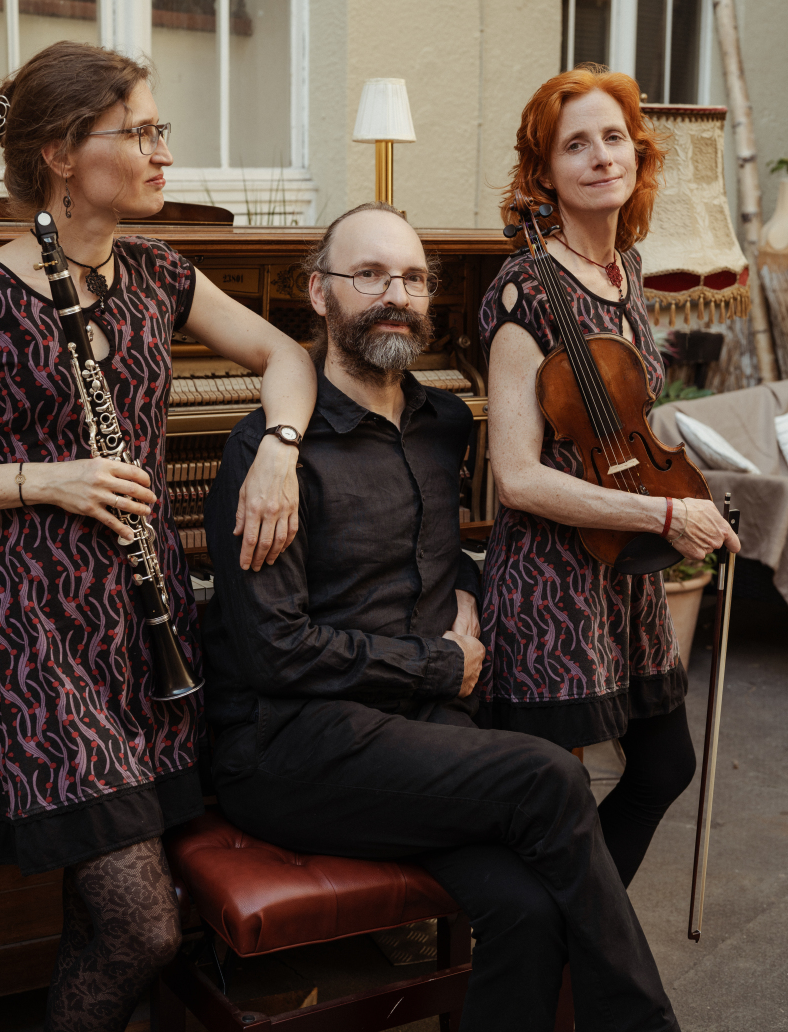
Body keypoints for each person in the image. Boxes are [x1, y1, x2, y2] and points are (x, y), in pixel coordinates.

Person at [203, 199, 682, 1032]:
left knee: (527, 912)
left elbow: (424, 551)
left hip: (415, 735)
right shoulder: (268, 453)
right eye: (369, 275)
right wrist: (438, 664)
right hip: (292, 745)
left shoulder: (444, 423)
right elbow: (275, 650)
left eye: (414, 278)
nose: (397, 294)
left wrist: (464, 583)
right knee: (549, 775)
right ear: (318, 292)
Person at [0, 41, 316, 1032]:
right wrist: (43, 478)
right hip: (31, 633)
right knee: (140, 925)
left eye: (159, 129)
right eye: (139, 132)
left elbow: (286, 355)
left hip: (142, 622)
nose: (164, 152)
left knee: (104, 919)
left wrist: (278, 451)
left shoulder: (160, 272)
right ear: (60, 154)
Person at [478, 65, 741, 888]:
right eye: (576, 145)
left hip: (624, 568)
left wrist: (682, 494)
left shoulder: (626, 270)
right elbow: (518, 478)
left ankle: (578, 931)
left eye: (614, 138)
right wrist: (663, 519)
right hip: (551, 582)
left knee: (664, 766)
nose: (600, 157)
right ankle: (558, 944)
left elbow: (624, 416)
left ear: (638, 153)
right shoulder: (524, 290)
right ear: (544, 171)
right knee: (548, 800)